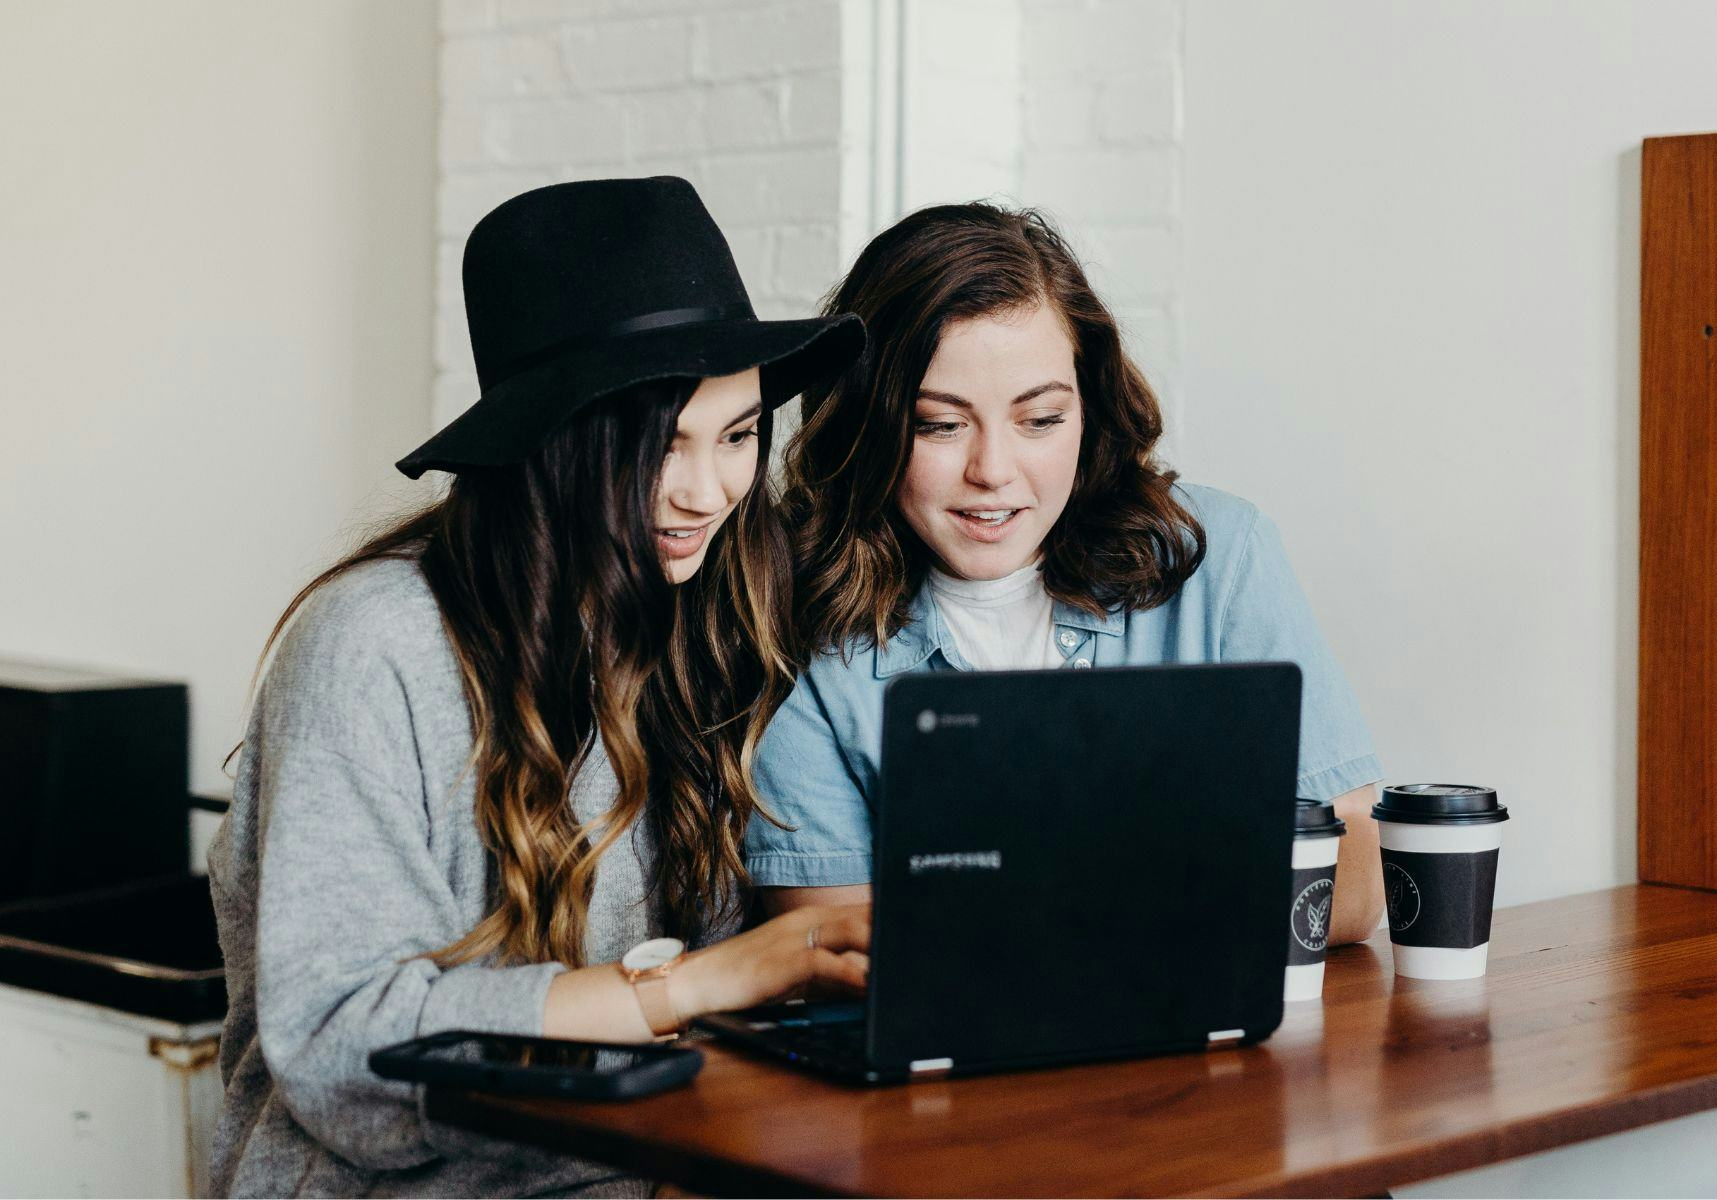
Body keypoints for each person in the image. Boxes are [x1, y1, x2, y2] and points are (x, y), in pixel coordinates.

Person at [207, 177, 869, 1197]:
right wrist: (699, 982)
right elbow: (343, 1048)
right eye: (659, 445)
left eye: (738, 435)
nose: (708, 492)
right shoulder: (374, 645)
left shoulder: (706, 618)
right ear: (552, 440)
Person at [748, 203, 1387, 944]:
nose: (993, 471)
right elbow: (831, 947)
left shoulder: (1219, 556)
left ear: (1089, 409)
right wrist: (1175, 881)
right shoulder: (795, 619)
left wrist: (1025, 908)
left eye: (1041, 420)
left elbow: (1350, 886)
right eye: (940, 425)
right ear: (867, 426)